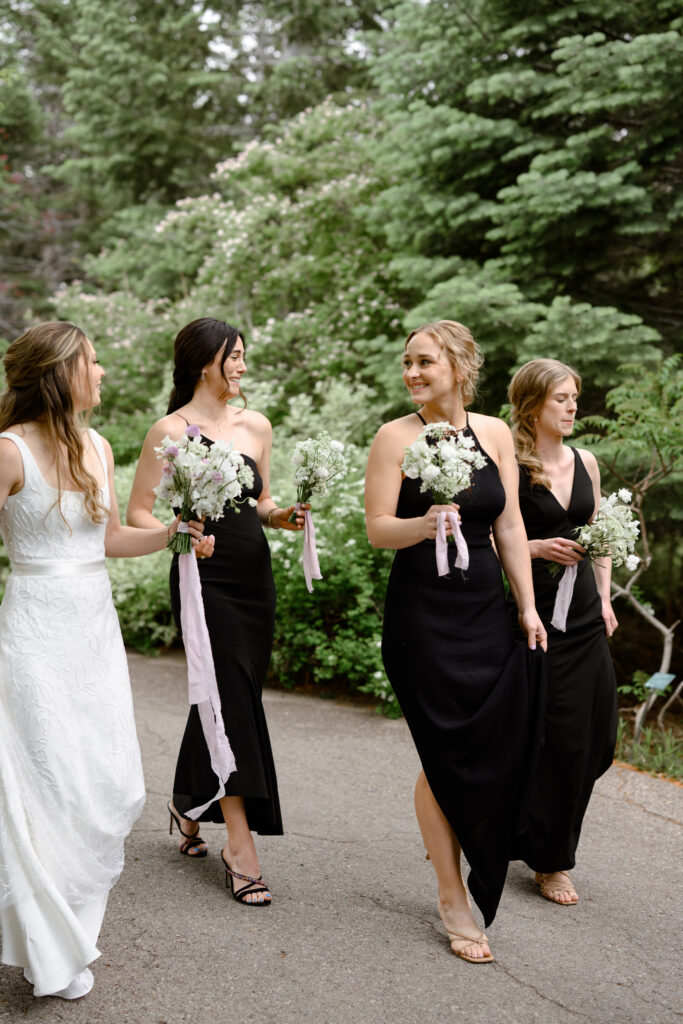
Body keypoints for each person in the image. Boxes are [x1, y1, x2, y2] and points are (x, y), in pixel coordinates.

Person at [0, 321, 205, 1000]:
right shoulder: (7, 452)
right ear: (61, 371)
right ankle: (49, 950)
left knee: (102, 780)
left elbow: (110, 538)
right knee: (45, 781)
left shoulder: (97, 445)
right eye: (93, 361)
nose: (103, 372)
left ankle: (64, 928)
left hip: (92, 630)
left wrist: (172, 534)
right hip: (33, 630)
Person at [365, 320, 547, 964]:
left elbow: (510, 523)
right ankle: (451, 896)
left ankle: (466, 853)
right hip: (423, 618)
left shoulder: (494, 432)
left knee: (492, 742)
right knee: (440, 752)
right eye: (406, 363)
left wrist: (527, 607)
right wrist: (424, 522)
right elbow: (378, 529)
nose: (412, 373)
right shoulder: (395, 437)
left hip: (486, 612)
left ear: (459, 366)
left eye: (424, 362)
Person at [127, 317, 305, 906]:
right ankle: (240, 844)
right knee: (226, 688)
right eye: (235, 356)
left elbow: (260, 500)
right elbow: (139, 513)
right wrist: (178, 534)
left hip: (254, 577)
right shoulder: (171, 429)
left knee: (229, 691)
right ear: (206, 360)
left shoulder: (256, 425)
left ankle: (185, 801)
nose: (243, 367)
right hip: (201, 575)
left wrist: (282, 517)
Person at [508, 358, 618, 906]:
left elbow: (601, 535)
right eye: (561, 398)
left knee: (594, 736)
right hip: (530, 612)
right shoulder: (509, 460)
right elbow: (488, 539)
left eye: (575, 397)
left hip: (583, 617)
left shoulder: (586, 462)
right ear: (531, 404)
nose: (573, 406)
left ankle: (538, 837)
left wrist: (605, 597)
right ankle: (550, 861)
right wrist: (535, 548)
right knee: (536, 734)